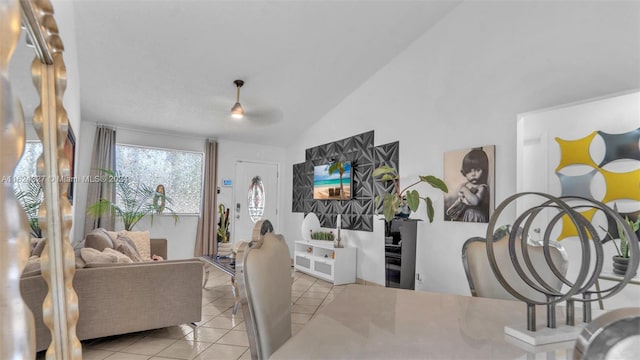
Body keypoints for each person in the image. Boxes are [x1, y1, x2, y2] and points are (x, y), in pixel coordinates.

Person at [446, 148, 490, 222]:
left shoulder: (482, 187)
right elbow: (460, 200)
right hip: (465, 215)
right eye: (469, 171)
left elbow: (475, 201)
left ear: (484, 170)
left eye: (477, 170)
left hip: (475, 216)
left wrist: (465, 190)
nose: (473, 174)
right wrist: (452, 208)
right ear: (464, 172)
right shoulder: (466, 185)